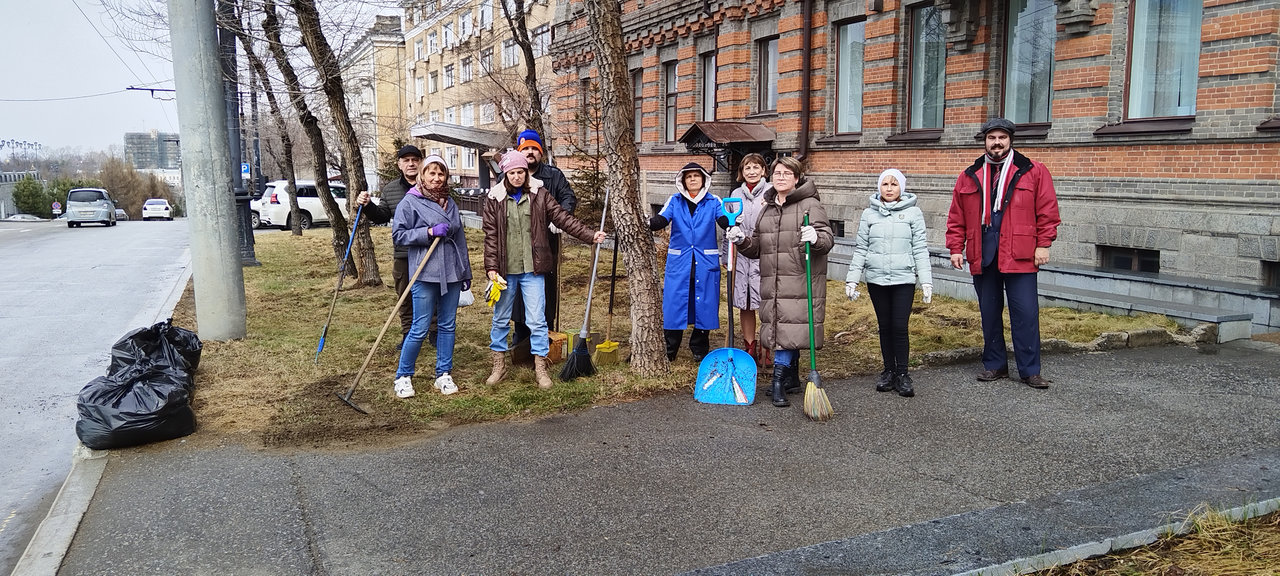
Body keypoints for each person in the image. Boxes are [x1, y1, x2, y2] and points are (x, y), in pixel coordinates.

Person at [945, 118, 1061, 389]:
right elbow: (956, 216)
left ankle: (1030, 371)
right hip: (983, 253)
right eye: (991, 138)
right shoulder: (970, 174)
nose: (996, 142)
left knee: (1026, 314)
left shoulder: (1032, 170)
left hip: (1020, 253)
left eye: (1002, 138)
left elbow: (1048, 211)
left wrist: (1043, 244)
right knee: (989, 312)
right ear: (984, 141)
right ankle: (994, 365)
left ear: (1010, 140)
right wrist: (955, 248)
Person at [482, 152, 606, 389]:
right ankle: (499, 365)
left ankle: (541, 367)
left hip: (533, 269)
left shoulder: (540, 194)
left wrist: (590, 235)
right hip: (505, 273)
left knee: (537, 320)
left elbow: (562, 217)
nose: (517, 177)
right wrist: (491, 268)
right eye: (512, 173)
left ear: (526, 172)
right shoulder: (494, 199)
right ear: (505, 174)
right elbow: (490, 237)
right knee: (500, 319)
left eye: (521, 172)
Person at [727, 156, 834, 407]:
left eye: (787, 173)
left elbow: (827, 241)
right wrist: (741, 239)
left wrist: (816, 237)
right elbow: (756, 248)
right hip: (772, 281)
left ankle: (777, 381)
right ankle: (792, 379)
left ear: (796, 179)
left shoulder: (811, 205)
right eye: (777, 173)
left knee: (786, 328)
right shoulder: (768, 207)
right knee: (782, 327)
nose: (781, 177)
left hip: (798, 279)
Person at [378, 154, 473, 399]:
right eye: (431, 173)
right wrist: (428, 232)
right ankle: (403, 376)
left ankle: (443, 373)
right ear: (423, 175)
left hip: (451, 270)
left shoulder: (449, 203)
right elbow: (399, 236)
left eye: (440, 173)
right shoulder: (410, 202)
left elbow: (459, 238)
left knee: (447, 325)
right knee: (420, 326)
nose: (436, 178)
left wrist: (465, 271)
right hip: (424, 271)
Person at [844, 169, 933, 398]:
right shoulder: (869, 215)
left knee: (899, 327)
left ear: (901, 188)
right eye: (885, 184)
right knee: (885, 326)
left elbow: (920, 248)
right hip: (877, 279)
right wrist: (852, 279)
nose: (889, 188)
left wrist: (926, 281)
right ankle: (888, 371)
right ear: (879, 187)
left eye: (894, 184)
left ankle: (903, 373)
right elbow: (861, 248)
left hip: (903, 279)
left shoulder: (913, 213)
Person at [509, 130, 578, 349]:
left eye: (534, 149)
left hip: (546, 242)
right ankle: (520, 335)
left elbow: (568, 197)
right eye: (525, 149)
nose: (530, 153)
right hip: (517, 244)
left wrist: (560, 219)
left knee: (545, 288)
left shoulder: (553, 176)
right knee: (519, 290)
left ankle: (546, 333)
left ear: (541, 153)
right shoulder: (511, 174)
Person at [650, 162, 725, 361]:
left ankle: (699, 349)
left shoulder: (713, 201)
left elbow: (723, 218)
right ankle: (670, 349)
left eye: (696, 176)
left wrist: (733, 224)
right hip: (680, 262)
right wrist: (644, 223)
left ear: (704, 179)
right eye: (688, 176)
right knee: (675, 303)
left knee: (705, 304)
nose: (692, 179)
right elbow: (662, 219)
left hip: (705, 262)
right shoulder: (675, 201)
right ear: (683, 180)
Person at [362, 144, 427, 348]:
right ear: (399, 164)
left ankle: (434, 331)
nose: (411, 164)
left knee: (432, 293)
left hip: (428, 251)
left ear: (420, 162)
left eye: (414, 160)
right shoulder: (390, 190)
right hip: (404, 253)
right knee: (404, 296)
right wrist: (367, 206)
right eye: (406, 160)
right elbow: (381, 217)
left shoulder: (430, 184)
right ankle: (408, 333)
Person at [721, 154, 771, 365]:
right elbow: (728, 229)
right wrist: (726, 253)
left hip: (764, 254)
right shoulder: (735, 194)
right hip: (741, 256)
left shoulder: (770, 192)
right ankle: (749, 346)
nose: (751, 171)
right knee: (745, 302)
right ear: (742, 171)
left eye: (755, 167)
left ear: (763, 170)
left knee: (767, 304)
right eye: (747, 168)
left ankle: (767, 347)